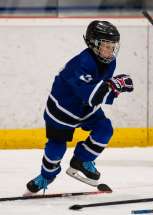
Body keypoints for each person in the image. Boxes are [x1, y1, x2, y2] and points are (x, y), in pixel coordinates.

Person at [24, 20, 134, 195]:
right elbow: (90, 95)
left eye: (112, 46)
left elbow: (99, 91)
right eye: (105, 45)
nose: (110, 50)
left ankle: (82, 161)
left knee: (105, 129)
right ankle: (46, 176)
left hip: (86, 109)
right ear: (93, 44)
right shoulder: (81, 63)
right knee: (56, 147)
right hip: (62, 110)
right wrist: (113, 86)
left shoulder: (110, 62)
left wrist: (114, 89)